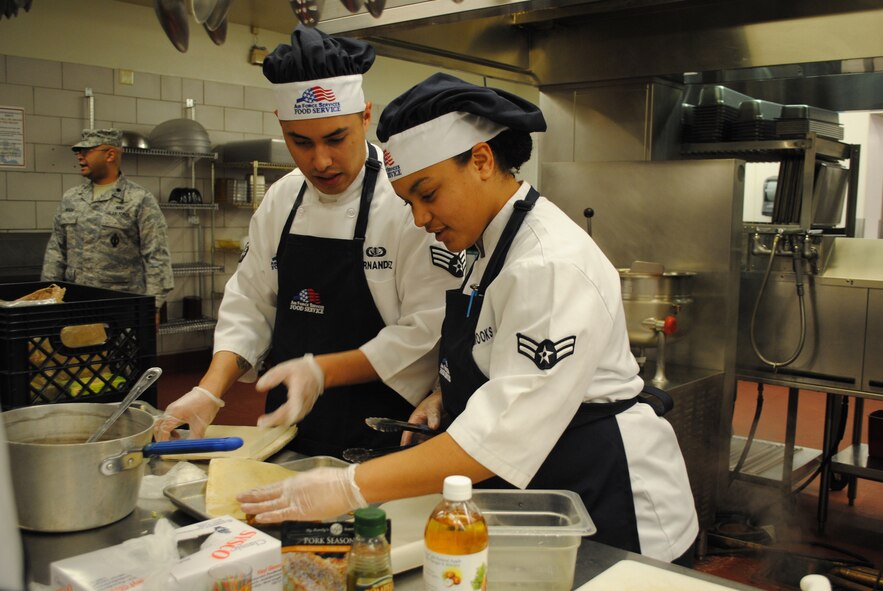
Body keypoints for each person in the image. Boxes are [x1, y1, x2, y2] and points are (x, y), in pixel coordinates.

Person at [238, 73, 700, 564]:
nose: (420, 219)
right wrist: (446, 395)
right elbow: (498, 354)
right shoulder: (488, 243)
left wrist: (347, 486)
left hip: (613, 503)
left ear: (481, 160)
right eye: (409, 202)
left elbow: (498, 437)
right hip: (542, 496)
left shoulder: (547, 264)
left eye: (429, 194)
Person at [153, 27, 463, 458]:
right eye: (301, 142)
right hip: (288, 423)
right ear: (282, 127)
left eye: (336, 139)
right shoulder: (282, 197)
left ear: (365, 117)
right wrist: (209, 390)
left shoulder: (405, 202)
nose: (321, 161)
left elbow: (425, 331)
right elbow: (250, 302)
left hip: (386, 426)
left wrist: (320, 372)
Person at [42, 128, 174, 325]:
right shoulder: (72, 198)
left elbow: (157, 256)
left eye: (86, 151)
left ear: (110, 155)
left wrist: (153, 306)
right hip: (76, 304)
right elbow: (56, 252)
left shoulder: (138, 199)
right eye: (78, 152)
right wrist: (47, 300)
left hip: (121, 307)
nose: (79, 157)